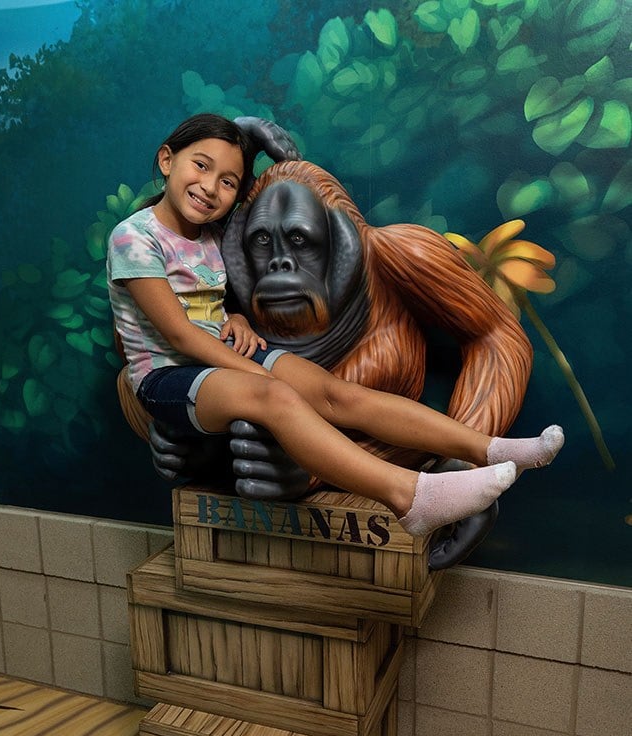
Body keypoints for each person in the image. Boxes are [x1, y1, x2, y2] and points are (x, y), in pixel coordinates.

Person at [107, 113, 564, 538]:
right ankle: (411, 496)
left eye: (300, 240)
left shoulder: (390, 253)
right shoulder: (139, 238)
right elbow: (168, 335)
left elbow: (496, 338)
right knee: (277, 395)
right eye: (264, 241)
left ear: (341, 237)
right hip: (177, 373)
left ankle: (488, 449)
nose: (280, 263)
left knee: (337, 394)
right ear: (167, 160)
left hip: (224, 361)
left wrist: (238, 316)